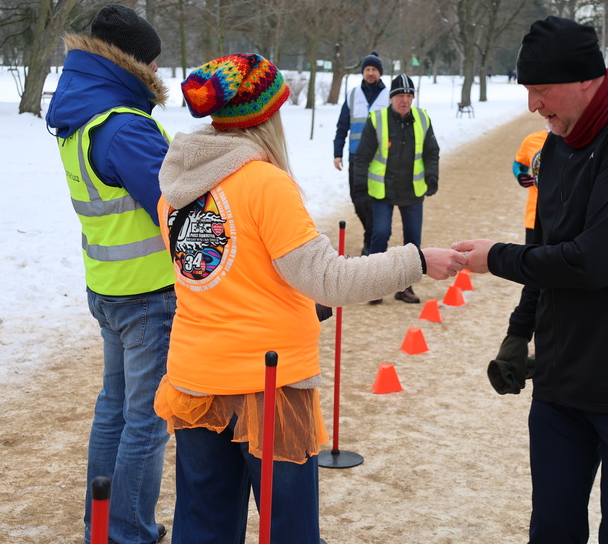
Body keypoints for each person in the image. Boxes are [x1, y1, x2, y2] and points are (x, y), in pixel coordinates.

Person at [152, 53, 466, 544]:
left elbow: (235, 274)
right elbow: (331, 279)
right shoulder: (264, 183)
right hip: (268, 386)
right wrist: (417, 261)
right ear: (264, 117)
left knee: (204, 526)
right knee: (290, 530)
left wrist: (300, 303)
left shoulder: (176, 190)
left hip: (196, 378)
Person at [453, 16, 608, 543]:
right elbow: (546, 247)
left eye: (542, 90)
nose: (533, 105)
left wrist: (495, 258)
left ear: (587, 78)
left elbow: (591, 261)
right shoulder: (555, 144)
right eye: (528, 91)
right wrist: (520, 332)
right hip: (562, 383)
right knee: (553, 531)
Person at [45, 4, 172, 544]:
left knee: (114, 410)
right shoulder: (124, 127)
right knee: (146, 420)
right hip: (148, 295)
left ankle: (101, 523)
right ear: (135, 63)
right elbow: (179, 206)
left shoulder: (82, 117)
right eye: (154, 62)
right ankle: (126, 531)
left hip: (109, 289)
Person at [353, 73, 440, 304]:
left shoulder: (422, 119)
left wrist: (432, 176)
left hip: (412, 191)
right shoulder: (377, 119)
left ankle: (405, 287)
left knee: (413, 242)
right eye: (400, 95)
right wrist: (360, 186)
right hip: (382, 190)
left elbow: (431, 151)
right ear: (391, 98)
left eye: (409, 95)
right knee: (380, 234)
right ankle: (374, 287)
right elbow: (362, 156)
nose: (405, 100)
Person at [488, 128, 548, 395]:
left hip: (564, 220)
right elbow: (519, 163)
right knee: (536, 276)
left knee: (547, 275)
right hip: (535, 218)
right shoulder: (533, 140)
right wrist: (520, 175)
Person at [333, 51, 390, 255]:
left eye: (374, 69)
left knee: (375, 198)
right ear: (363, 72)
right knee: (357, 198)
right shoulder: (353, 94)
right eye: (367, 69)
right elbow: (342, 126)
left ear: (380, 72)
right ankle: (371, 232)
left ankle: (371, 242)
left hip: (380, 157)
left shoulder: (389, 96)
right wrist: (337, 152)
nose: (371, 73)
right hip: (356, 156)